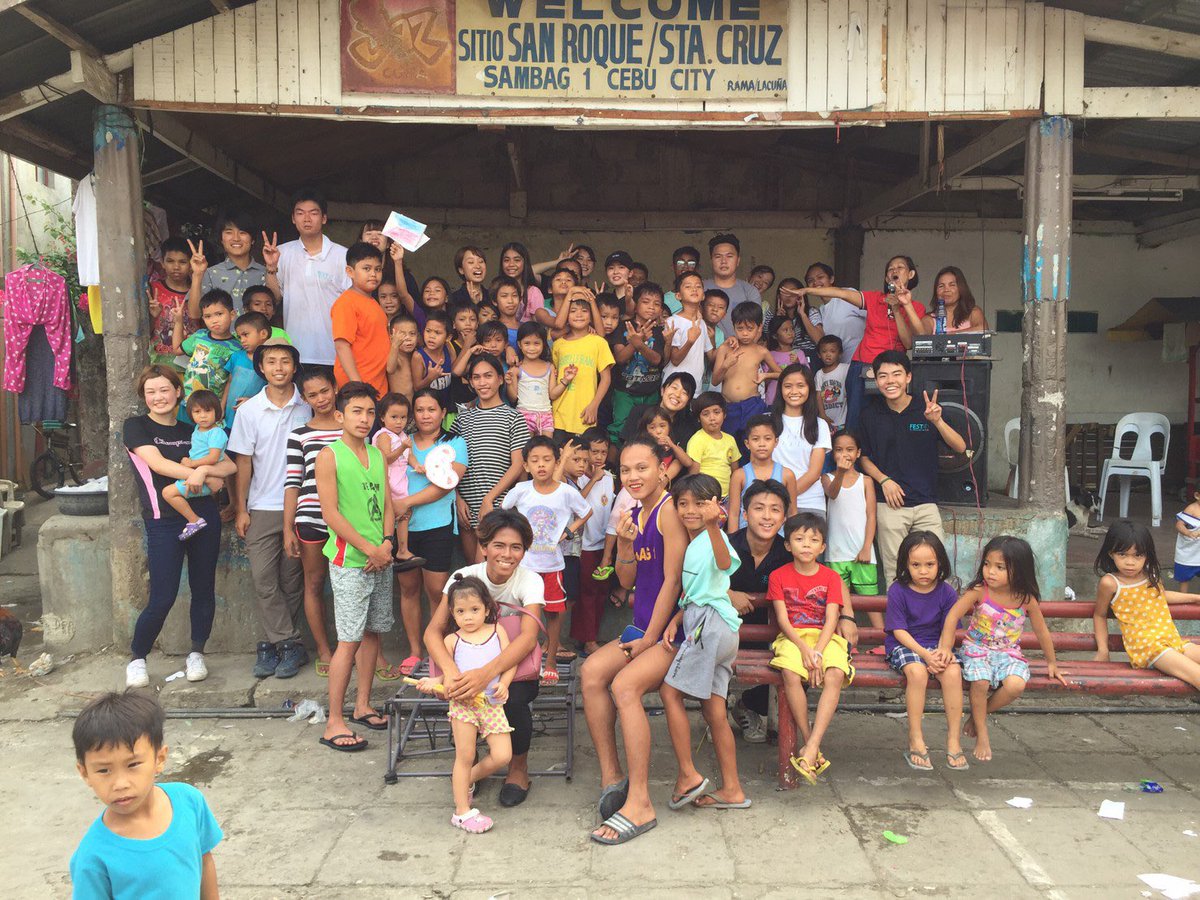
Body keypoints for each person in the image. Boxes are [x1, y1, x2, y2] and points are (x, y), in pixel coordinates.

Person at [583, 437, 685, 845]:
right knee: (591, 673)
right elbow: (627, 582)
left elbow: (673, 581)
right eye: (625, 470)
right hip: (642, 626)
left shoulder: (669, 512)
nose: (633, 476)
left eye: (641, 467)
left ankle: (641, 802)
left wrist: (649, 641)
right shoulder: (637, 513)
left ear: (662, 469)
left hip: (671, 632)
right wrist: (624, 543)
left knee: (624, 686)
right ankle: (613, 777)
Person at [123, 366, 237, 688]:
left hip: (205, 516)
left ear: (178, 393)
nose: (158, 397)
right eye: (151, 392)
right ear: (144, 397)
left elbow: (227, 465)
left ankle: (196, 653)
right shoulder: (136, 427)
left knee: (204, 589)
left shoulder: (194, 428)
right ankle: (137, 658)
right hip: (163, 520)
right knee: (162, 596)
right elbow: (156, 464)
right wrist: (199, 474)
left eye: (164, 390)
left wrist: (204, 473)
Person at [425, 510, 546, 807]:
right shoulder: (463, 577)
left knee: (514, 699)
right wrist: (452, 672)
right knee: (460, 695)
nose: (507, 554)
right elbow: (432, 632)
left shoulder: (529, 581)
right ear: (484, 547)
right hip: (463, 664)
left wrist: (485, 673)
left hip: (511, 670)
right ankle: (470, 762)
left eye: (516, 547)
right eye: (499, 545)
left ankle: (518, 768)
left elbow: (528, 637)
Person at [71, 692, 221, 898]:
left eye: (133, 765)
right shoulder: (93, 855)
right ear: (85, 773)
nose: (120, 784)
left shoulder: (189, 802)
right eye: (104, 770)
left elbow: (205, 861)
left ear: (159, 758)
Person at [659, 474, 749, 812]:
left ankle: (688, 777)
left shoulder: (715, 537)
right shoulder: (695, 542)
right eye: (683, 504)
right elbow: (702, 590)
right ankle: (733, 789)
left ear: (717, 506)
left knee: (669, 693)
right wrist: (678, 617)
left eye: (700, 502)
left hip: (710, 628)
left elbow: (725, 564)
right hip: (713, 624)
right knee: (714, 710)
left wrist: (713, 527)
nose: (690, 510)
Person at [316, 382, 394, 752]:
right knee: (347, 639)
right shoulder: (329, 456)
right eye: (356, 412)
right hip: (350, 561)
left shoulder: (378, 454)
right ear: (339, 415)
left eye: (369, 412)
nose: (364, 419)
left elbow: (389, 505)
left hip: (380, 556)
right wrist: (370, 549)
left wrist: (388, 543)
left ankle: (363, 705)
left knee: (373, 633)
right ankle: (334, 720)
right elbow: (330, 513)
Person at [228, 342, 313, 679]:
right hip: (263, 506)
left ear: (295, 366)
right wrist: (241, 508)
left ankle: (272, 645)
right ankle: (289, 643)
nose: (279, 367)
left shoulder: (307, 407)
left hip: (303, 505)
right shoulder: (249, 412)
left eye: (286, 362)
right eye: (272, 362)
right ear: (261, 367)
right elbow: (243, 463)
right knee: (263, 578)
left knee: (292, 580)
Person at [944, 536, 1065, 763]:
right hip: (976, 649)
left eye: (1000, 567)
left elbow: (1041, 632)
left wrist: (1052, 663)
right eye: (987, 564)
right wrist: (946, 648)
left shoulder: (1026, 599)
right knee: (980, 681)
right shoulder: (980, 591)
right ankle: (984, 735)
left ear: (1019, 571)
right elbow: (952, 616)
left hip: (1008, 653)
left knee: (1016, 685)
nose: (990, 572)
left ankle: (977, 717)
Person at [417, 575, 516, 834]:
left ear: (487, 607)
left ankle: (467, 780)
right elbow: (446, 675)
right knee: (465, 755)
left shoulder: (498, 631)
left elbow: (509, 661)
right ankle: (461, 812)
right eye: (461, 612)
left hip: (492, 704)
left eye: (474, 610)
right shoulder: (452, 640)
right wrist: (433, 682)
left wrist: (505, 683)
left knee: (503, 755)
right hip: (463, 706)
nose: (468, 617)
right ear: (452, 613)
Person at [858, 351, 966, 588]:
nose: (890, 381)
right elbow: (863, 457)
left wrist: (937, 421)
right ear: (876, 380)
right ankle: (899, 624)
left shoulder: (926, 409)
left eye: (896, 374)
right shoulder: (869, 415)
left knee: (936, 568)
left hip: (926, 504)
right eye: (883, 376)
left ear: (908, 377)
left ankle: (934, 624)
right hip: (890, 506)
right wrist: (884, 481)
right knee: (895, 572)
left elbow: (960, 447)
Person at [768, 512, 853, 784]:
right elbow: (782, 619)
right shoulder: (778, 576)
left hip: (825, 638)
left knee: (835, 674)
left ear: (822, 547)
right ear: (787, 545)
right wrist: (805, 650)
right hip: (792, 638)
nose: (806, 544)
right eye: (799, 538)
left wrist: (817, 651)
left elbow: (832, 619)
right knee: (791, 674)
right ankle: (811, 743)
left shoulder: (831, 578)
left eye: (813, 539)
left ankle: (811, 746)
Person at [501, 436, 591, 683]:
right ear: (527, 466)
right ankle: (520, 661)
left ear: (556, 463)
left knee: (553, 614)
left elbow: (586, 512)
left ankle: (550, 660)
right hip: (524, 567)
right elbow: (504, 513)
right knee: (521, 615)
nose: (541, 465)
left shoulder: (565, 493)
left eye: (547, 460)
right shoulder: (521, 491)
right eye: (535, 460)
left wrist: (568, 532)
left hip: (553, 565)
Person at [799, 256, 925, 431]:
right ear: (886, 278)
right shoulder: (874, 298)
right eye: (890, 269)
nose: (894, 271)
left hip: (893, 368)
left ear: (911, 274)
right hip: (863, 365)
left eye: (900, 267)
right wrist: (807, 291)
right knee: (857, 419)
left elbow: (910, 343)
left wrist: (900, 307)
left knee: (890, 420)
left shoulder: (916, 307)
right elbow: (841, 293)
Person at [393, 389, 469, 675]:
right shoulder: (402, 441)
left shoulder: (455, 443)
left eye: (432, 409)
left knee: (437, 591)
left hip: (437, 525)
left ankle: (441, 651)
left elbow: (448, 484)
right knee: (408, 589)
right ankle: (415, 651)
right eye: (420, 410)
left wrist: (405, 503)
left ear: (442, 412)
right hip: (403, 529)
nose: (425, 415)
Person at [884, 531, 966, 771]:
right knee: (918, 673)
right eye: (916, 565)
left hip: (938, 645)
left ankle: (953, 740)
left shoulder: (946, 592)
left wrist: (943, 650)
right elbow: (898, 631)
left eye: (929, 564)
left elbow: (950, 627)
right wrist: (925, 654)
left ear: (940, 563)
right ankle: (915, 737)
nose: (923, 571)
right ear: (905, 565)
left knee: (952, 673)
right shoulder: (898, 590)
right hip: (906, 645)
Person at [1093, 519, 1200, 691]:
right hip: (1149, 649)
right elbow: (1100, 615)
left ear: (1147, 555)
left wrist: (1195, 598)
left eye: (1137, 555)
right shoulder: (1110, 583)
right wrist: (1103, 650)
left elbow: (1161, 596)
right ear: (1110, 553)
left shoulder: (1150, 575)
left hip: (1173, 642)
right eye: (1123, 554)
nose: (1130, 562)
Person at [283, 369, 342, 676]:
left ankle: (354, 648)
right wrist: (287, 527)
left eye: (325, 391)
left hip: (351, 520)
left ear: (335, 388)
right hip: (311, 517)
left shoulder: (354, 427)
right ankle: (323, 648)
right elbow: (293, 482)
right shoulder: (299, 435)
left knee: (352, 587)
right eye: (312, 395)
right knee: (315, 583)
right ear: (304, 399)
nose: (321, 399)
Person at [726, 480, 794, 742]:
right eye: (759, 508)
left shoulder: (789, 552)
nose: (767, 516)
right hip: (728, 632)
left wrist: (845, 617)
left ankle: (745, 705)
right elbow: (696, 582)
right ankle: (716, 713)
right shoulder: (726, 545)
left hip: (772, 636)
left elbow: (824, 577)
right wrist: (727, 593)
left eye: (775, 510)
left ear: (784, 517)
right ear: (745, 514)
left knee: (800, 667)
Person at [453, 354, 531, 562]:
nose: (482, 382)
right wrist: (457, 498)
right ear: (470, 382)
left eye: (488, 376)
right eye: (476, 377)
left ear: (499, 379)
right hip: (467, 510)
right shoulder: (462, 419)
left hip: (498, 508)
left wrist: (489, 499)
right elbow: (448, 465)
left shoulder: (513, 417)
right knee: (473, 573)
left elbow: (517, 466)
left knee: (489, 575)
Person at [263, 189, 350, 367]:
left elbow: (352, 304)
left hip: (334, 352)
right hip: (294, 353)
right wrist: (271, 268)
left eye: (313, 213)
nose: (307, 219)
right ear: (293, 218)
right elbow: (275, 298)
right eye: (300, 213)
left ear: (324, 218)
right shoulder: (282, 252)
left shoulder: (343, 255)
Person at [823, 432, 879, 624]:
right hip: (836, 552)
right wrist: (839, 472)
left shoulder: (866, 481)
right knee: (839, 604)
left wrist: (866, 547)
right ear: (832, 454)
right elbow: (833, 493)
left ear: (858, 453)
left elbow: (871, 516)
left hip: (861, 551)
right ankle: (847, 643)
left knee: (870, 601)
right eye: (838, 450)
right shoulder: (827, 478)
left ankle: (883, 642)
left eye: (849, 450)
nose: (844, 454)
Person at [571, 427, 616, 656]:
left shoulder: (609, 478)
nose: (598, 457)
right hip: (584, 546)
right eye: (594, 452)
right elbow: (575, 504)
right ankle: (588, 640)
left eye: (603, 452)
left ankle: (590, 636)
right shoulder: (576, 478)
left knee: (600, 593)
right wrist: (593, 479)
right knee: (587, 593)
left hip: (604, 544)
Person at [710, 301, 780, 447]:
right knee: (728, 446)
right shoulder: (725, 348)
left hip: (752, 405)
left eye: (750, 328)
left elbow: (781, 374)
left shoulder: (761, 351)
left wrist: (766, 376)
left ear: (759, 327)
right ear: (733, 326)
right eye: (740, 328)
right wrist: (725, 365)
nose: (745, 333)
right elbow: (715, 380)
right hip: (728, 407)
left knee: (753, 444)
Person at [161, 390, 227, 541]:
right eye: (197, 411)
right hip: (198, 477)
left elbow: (213, 457)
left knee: (167, 493)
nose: (202, 415)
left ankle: (194, 520)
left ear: (217, 411)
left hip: (203, 478)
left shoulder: (216, 432)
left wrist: (192, 463)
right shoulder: (198, 429)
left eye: (208, 411)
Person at [551, 292, 615, 440]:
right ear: (566, 315)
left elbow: (606, 378)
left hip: (585, 414)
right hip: (559, 414)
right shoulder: (558, 345)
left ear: (592, 316)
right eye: (573, 311)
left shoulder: (598, 342)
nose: (578, 315)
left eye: (584, 311)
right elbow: (553, 377)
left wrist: (594, 405)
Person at [771, 364, 832, 518]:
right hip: (771, 504)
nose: (794, 391)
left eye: (800, 386)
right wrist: (774, 500)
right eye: (788, 386)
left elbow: (814, 473)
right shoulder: (767, 422)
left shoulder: (820, 425)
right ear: (780, 389)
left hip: (810, 503)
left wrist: (783, 497)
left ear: (809, 389)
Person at [331, 241, 389, 400]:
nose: (373, 274)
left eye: (377, 269)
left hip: (376, 387)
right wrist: (357, 385)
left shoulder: (372, 302)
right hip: (359, 390)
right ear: (350, 271)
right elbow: (342, 345)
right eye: (366, 268)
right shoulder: (346, 303)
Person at [373, 393, 424, 571]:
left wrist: (418, 466)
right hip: (387, 481)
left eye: (403, 417)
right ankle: (389, 550)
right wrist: (403, 446)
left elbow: (410, 457)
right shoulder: (384, 435)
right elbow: (385, 459)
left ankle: (402, 550)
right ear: (382, 417)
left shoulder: (403, 436)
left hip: (400, 481)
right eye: (394, 417)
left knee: (404, 514)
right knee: (386, 516)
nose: (399, 421)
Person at [610, 282, 666, 442]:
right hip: (624, 392)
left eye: (657, 304)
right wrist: (636, 341)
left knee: (649, 431)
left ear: (661, 310)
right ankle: (618, 465)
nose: (651, 307)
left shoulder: (660, 331)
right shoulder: (623, 327)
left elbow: (656, 360)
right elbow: (620, 358)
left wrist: (639, 344)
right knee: (620, 429)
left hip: (651, 392)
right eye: (646, 302)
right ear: (635, 305)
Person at [174, 289, 239, 424]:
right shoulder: (200, 336)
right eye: (208, 316)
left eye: (219, 314)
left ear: (232, 314)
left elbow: (230, 381)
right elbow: (177, 350)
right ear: (203, 318)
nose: (214, 320)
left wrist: (222, 406)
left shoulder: (237, 347)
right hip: (188, 403)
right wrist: (178, 322)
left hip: (211, 408)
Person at [186, 209, 266, 318]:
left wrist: (271, 268)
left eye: (242, 232)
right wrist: (197, 275)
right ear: (221, 239)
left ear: (252, 240)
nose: (236, 238)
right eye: (229, 232)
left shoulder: (265, 273)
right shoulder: (210, 273)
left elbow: (276, 307)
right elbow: (194, 314)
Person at [727, 414, 798, 532]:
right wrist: (733, 542)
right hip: (746, 541)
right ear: (747, 443)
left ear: (776, 442)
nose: (762, 444)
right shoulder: (739, 475)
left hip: (778, 540)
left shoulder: (787, 475)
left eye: (767, 438)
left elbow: (792, 513)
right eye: (755, 439)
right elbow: (734, 514)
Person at [507, 321, 565, 436]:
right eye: (527, 343)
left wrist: (566, 381)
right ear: (519, 344)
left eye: (536, 343)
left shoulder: (550, 367)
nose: (532, 348)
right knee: (526, 452)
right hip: (524, 415)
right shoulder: (516, 369)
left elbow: (552, 394)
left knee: (547, 450)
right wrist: (509, 382)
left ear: (543, 344)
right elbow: (513, 398)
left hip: (546, 415)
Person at [148, 236, 196, 367]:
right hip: (159, 360)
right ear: (162, 263)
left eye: (182, 262)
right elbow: (145, 331)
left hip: (190, 362)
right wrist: (153, 316)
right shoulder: (153, 289)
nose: (176, 267)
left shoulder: (197, 291)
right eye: (170, 261)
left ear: (191, 264)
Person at [804, 262, 865, 363]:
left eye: (820, 277)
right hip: (840, 367)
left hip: (862, 362)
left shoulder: (847, 296)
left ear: (831, 279)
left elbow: (873, 317)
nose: (815, 282)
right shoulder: (821, 311)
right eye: (810, 280)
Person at [704, 233, 761, 336]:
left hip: (740, 351)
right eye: (718, 257)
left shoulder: (749, 291)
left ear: (738, 260)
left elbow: (756, 330)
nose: (724, 261)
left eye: (729, 256)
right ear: (711, 260)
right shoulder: (699, 288)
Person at [664, 272, 713, 392]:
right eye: (688, 286)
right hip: (675, 387)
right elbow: (675, 360)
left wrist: (727, 345)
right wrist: (690, 341)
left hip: (695, 388)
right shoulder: (672, 322)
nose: (694, 289)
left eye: (698, 286)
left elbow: (711, 356)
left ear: (703, 296)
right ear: (678, 296)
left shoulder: (701, 323)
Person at [686, 392, 738, 499]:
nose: (712, 418)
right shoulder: (697, 440)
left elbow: (735, 471)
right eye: (706, 414)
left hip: (727, 496)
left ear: (724, 414)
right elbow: (693, 475)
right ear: (698, 418)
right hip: (704, 495)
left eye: (716, 412)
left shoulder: (730, 440)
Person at [225, 311, 271, 430]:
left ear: (263, 333)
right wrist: (221, 407)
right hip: (229, 417)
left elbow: (272, 389)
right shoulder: (236, 356)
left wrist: (252, 401)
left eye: (246, 334)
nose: (242, 340)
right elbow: (229, 382)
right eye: (240, 337)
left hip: (253, 419)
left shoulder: (270, 362)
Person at [922, 266, 989, 333]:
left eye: (952, 285)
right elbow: (921, 335)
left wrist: (951, 335)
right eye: (941, 286)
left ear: (961, 288)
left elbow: (983, 329)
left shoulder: (973, 312)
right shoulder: (929, 319)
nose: (946, 290)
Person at [771, 277, 824, 363]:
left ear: (800, 294)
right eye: (785, 292)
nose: (788, 295)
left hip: (812, 357)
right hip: (789, 359)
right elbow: (776, 347)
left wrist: (803, 314)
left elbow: (820, 341)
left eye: (792, 292)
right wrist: (779, 321)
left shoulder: (811, 312)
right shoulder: (777, 316)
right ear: (779, 296)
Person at [639, 406, 691, 485]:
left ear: (669, 426)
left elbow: (688, 463)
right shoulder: (643, 444)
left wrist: (672, 446)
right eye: (652, 428)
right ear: (646, 430)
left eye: (662, 426)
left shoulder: (673, 444)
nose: (658, 431)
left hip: (665, 484)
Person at [763, 316, 804, 406]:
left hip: (794, 400)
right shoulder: (769, 355)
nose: (790, 333)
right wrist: (772, 368)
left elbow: (807, 377)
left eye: (792, 329)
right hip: (773, 400)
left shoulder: (799, 353)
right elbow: (764, 383)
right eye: (785, 330)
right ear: (774, 336)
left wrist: (797, 363)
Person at [815, 335, 849, 433]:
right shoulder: (819, 374)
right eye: (824, 351)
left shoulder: (845, 369)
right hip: (827, 421)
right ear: (819, 354)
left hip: (843, 420)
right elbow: (818, 396)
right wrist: (822, 415)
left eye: (832, 351)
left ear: (840, 353)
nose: (828, 355)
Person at [700, 289, 729, 392]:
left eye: (720, 307)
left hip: (707, 386)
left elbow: (714, 363)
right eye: (711, 305)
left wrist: (712, 340)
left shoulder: (719, 334)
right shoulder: (694, 327)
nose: (715, 310)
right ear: (701, 307)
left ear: (724, 314)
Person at [386, 311, 419, 398]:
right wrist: (395, 345)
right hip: (399, 404)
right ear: (392, 337)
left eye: (412, 334)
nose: (408, 338)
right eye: (402, 334)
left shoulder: (416, 355)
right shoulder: (396, 356)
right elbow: (390, 369)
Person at [663, 245, 700, 314]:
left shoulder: (701, 297)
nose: (685, 267)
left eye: (691, 263)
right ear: (673, 267)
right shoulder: (664, 299)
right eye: (680, 263)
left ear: (697, 267)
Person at [1176, 490, 1200, 591]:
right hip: (1189, 550)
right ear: (1197, 495)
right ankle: (1183, 599)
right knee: (1184, 578)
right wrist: (1189, 533)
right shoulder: (1192, 509)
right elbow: (1179, 524)